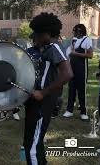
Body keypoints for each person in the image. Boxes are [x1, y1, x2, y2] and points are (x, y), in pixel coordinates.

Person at [24, 12, 73, 165]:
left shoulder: (54, 47)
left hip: (43, 102)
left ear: (46, 34)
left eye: (37, 34)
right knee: (31, 141)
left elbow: (67, 74)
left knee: (32, 147)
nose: (35, 38)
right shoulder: (45, 48)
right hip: (35, 101)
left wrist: (43, 92)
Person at [63, 24, 93, 120]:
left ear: (80, 31)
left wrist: (76, 53)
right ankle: (69, 110)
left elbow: (90, 55)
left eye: (75, 31)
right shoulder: (74, 40)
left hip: (82, 68)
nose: (74, 33)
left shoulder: (87, 40)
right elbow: (70, 52)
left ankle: (83, 112)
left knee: (81, 90)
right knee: (71, 89)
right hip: (72, 67)